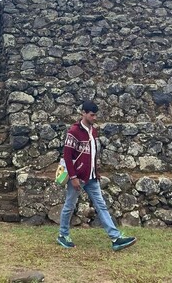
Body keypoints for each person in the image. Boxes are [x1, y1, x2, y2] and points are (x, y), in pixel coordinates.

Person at [57, 100, 137, 251]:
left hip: (91, 177)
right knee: (69, 205)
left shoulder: (93, 131)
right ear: (84, 113)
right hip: (78, 176)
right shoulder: (73, 131)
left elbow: (93, 154)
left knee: (101, 206)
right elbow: (67, 156)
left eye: (95, 115)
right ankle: (63, 234)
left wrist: (96, 172)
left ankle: (115, 238)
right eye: (92, 115)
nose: (94, 118)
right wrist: (73, 177)